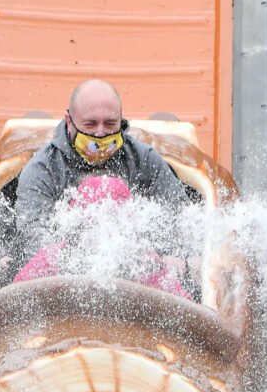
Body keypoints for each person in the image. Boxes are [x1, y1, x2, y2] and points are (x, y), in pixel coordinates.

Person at [14, 79, 189, 265]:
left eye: (110, 124)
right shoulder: (43, 168)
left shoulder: (144, 160)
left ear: (121, 121)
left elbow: (181, 218)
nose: (100, 133)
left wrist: (170, 259)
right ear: (69, 122)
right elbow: (34, 240)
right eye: (90, 124)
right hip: (66, 276)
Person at [12, 174, 190, 298]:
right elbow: (17, 296)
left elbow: (181, 306)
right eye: (92, 224)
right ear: (77, 225)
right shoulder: (54, 257)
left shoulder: (143, 261)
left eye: (114, 223)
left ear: (128, 226)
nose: (103, 232)